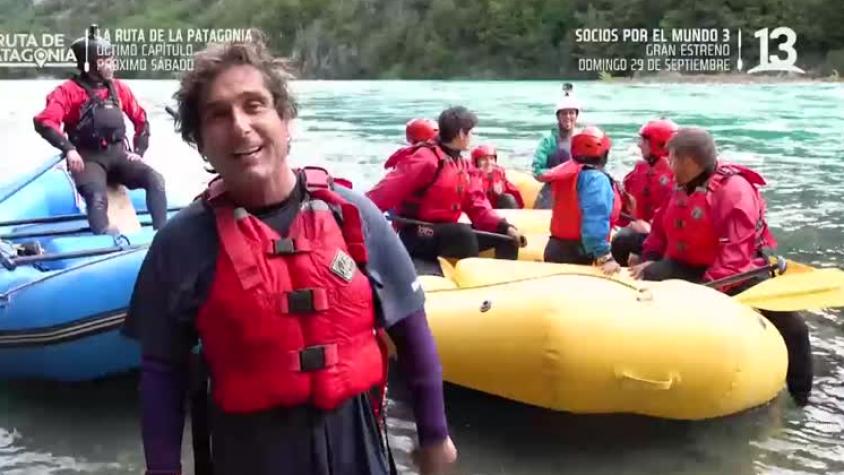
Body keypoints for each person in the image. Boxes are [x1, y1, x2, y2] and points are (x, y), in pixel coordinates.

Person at [122, 39, 457, 475]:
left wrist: (435, 438)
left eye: (254, 105)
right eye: (218, 114)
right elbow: (161, 372)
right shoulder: (181, 245)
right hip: (249, 454)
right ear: (201, 142)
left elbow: (413, 333)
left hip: (357, 449)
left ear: (285, 120)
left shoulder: (353, 216)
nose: (240, 126)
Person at [629, 127, 813, 406]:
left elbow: (735, 257)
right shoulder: (682, 185)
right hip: (691, 264)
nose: (668, 165)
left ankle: (801, 398)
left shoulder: (734, 192)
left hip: (741, 272)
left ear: (688, 161)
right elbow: (660, 228)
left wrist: (704, 295)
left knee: (795, 328)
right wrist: (649, 257)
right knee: (652, 272)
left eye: (672, 158)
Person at [33, 24, 167, 234]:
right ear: (89, 65)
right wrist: (69, 149)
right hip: (88, 159)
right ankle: (105, 238)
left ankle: (162, 234)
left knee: (156, 180)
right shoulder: (68, 92)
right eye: (105, 61)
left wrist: (138, 153)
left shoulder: (119, 88)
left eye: (111, 60)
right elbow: (45, 122)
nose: (111, 65)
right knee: (96, 196)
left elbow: (142, 121)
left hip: (118, 156)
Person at [366, 106, 524, 271]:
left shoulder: (462, 164)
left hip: (445, 232)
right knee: (462, 234)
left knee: (506, 237)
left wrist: (504, 226)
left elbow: (477, 204)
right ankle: (473, 282)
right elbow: (381, 195)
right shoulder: (425, 159)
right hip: (418, 233)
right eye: (470, 132)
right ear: (461, 134)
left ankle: (503, 281)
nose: (472, 137)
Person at [539, 126, 621, 275]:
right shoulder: (596, 180)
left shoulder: (568, 171)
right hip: (580, 254)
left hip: (555, 247)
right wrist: (605, 256)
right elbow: (594, 220)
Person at [611, 118, 678, 265]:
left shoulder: (677, 176)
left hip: (666, 241)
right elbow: (624, 206)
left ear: (658, 144)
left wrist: (650, 228)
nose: (639, 145)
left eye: (644, 141)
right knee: (622, 237)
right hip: (647, 233)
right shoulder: (640, 170)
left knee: (622, 239)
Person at [531, 85, 581, 209]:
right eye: (564, 113)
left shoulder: (582, 139)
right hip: (552, 189)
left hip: (576, 189)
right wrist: (559, 173)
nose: (568, 117)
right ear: (558, 116)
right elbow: (537, 171)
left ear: (576, 116)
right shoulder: (548, 141)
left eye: (571, 113)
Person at [470, 144, 524, 209]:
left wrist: (502, 190)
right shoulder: (470, 177)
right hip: (479, 212)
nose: (488, 162)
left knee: (508, 198)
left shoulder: (499, 174)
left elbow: (515, 195)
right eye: (483, 159)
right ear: (476, 162)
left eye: (491, 158)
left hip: (497, 211)